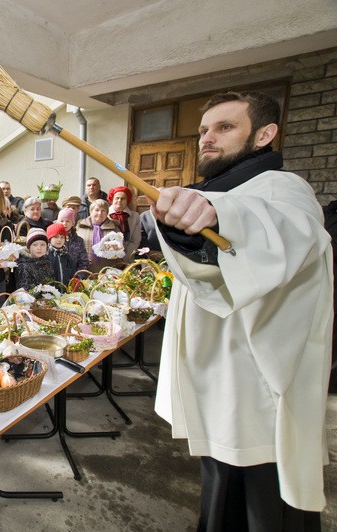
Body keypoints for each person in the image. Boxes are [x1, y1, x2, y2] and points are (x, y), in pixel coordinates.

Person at [150, 90, 332, 529]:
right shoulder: (226, 188)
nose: (207, 139)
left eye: (224, 127)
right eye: (204, 131)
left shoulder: (283, 189)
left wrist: (215, 214)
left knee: (264, 506)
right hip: (221, 381)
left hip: (257, 390)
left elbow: (290, 232)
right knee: (221, 492)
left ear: (264, 134)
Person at [76, 198, 122, 272]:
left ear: (107, 213)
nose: (100, 213)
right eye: (97, 210)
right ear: (91, 212)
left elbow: (120, 250)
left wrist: (105, 247)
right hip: (84, 270)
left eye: (103, 211)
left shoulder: (114, 228)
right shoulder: (80, 227)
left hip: (107, 270)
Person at [108, 186, 142, 260]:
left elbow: (136, 240)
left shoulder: (135, 216)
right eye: (117, 198)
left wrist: (125, 255)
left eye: (123, 198)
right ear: (112, 199)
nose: (119, 200)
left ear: (127, 200)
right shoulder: (105, 214)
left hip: (127, 256)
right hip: (107, 256)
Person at [57, 208, 91, 278]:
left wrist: (77, 277)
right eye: (62, 221)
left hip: (74, 278)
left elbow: (84, 261)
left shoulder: (78, 241)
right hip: (57, 277)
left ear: (72, 223)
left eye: (68, 221)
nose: (64, 223)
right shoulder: (53, 239)